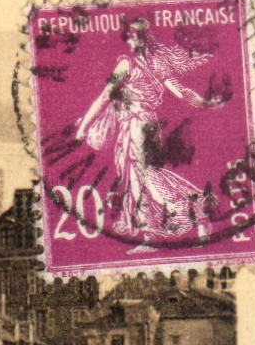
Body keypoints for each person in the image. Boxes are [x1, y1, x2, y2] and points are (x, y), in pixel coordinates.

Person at [73, 18, 228, 246]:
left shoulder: (127, 65)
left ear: (140, 38)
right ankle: (151, 234)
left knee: (146, 181)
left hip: (136, 127)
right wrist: (205, 103)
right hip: (149, 126)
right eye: (129, 37)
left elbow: (105, 97)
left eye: (133, 36)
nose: (130, 41)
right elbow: (182, 92)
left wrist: (83, 127)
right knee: (141, 180)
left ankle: (194, 210)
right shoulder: (157, 65)